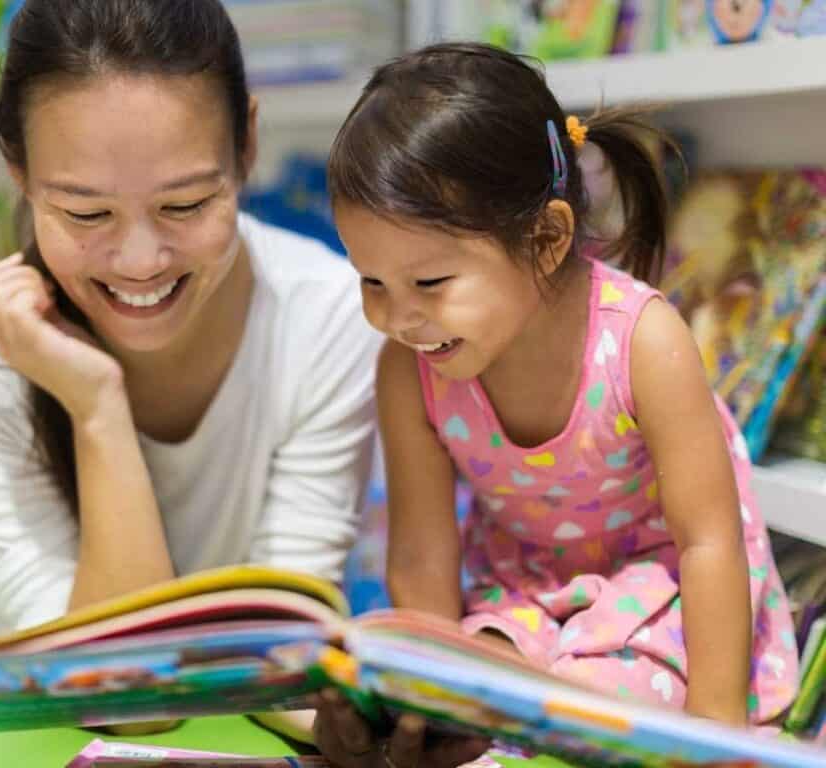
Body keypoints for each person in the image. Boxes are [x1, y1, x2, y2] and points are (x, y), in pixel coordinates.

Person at [0, 2, 383, 766]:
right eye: (85, 212)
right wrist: (96, 405)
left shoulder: (331, 321)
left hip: (216, 662)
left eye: (185, 204)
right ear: (17, 170)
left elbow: (278, 644)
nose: (140, 259)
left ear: (247, 143)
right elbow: (119, 699)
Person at [315, 41, 800, 766]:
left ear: (546, 240)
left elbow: (709, 543)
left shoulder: (645, 342)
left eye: (430, 283)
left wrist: (716, 730)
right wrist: (422, 690)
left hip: (659, 589)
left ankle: (536, 707)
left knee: (597, 693)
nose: (397, 318)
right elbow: (420, 554)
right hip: (523, 593)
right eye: (372, 283)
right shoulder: (408, 369)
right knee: (446, 675)